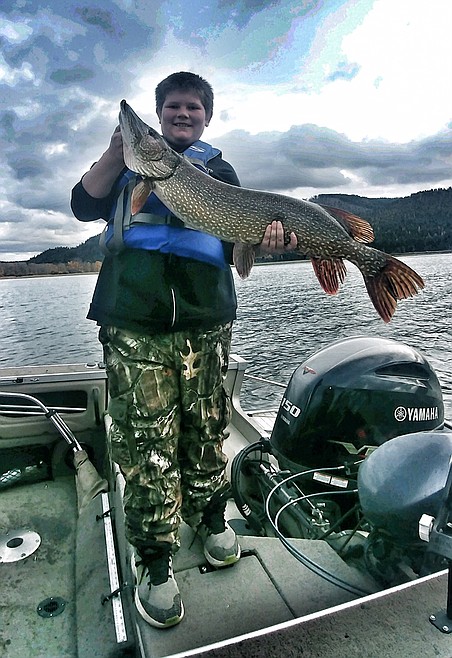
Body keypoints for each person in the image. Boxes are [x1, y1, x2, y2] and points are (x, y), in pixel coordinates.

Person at [71, 71, 296, 629]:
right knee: (145, 444)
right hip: (133, 324)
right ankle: (155, 561)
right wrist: (118, 149)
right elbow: (81, 205)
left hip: (206, 324)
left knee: (208, 430)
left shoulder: (220, 173)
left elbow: (242, 242)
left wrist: (272, 241)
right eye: (171, 107)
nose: (181, 114)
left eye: (193, 107)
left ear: (207, 117)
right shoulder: (126, 169)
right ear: (158, 115)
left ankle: (213, 518)